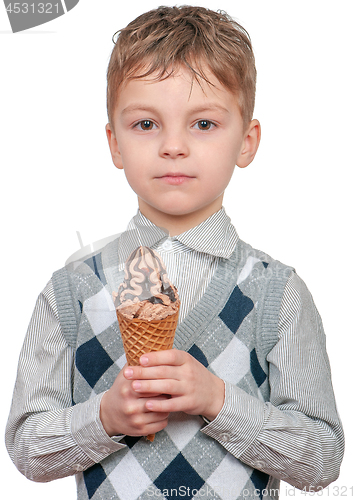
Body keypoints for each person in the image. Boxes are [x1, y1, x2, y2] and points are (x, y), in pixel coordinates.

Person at [5, 5, 344, 500]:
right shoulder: (72, 291)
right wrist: (104, 417)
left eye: (203, 124)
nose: (173, 146)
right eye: (146, 124)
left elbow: (322, 459)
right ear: (114, 143)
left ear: (246, 143)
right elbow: (26, 448)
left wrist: (218, 401)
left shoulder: (279, 292)